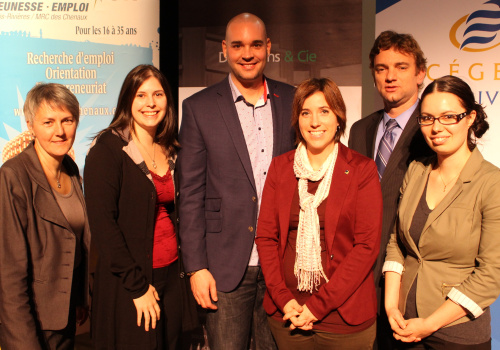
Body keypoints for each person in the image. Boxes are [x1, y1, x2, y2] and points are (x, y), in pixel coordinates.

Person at [177, 12, 295, 350]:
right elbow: (190, 194)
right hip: (224, 266)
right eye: (239, 45)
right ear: (225, 49)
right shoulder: (199, 107)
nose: (247, 54)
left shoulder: (292, 100)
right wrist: (196, 267)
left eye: (256, 45)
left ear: (268, 47)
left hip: (281, 263)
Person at [256, 78, 383, 349]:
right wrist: (283, 299)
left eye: (324, 111)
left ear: (339, 117)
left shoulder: (362, 169)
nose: (315, 121)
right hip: (287, 313)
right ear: (297, 120)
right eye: (306, 113)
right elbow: (266, 237)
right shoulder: (280, 168)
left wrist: (317, 306)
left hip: (344, 318)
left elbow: (366, 247)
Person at [84, 64, 197, 350]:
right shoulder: (108, 150)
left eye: (158, 94)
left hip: (172, 275)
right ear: (127, 101)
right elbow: (103, 226)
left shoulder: (171, 148)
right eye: (141, 95)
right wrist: (137, 286)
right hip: (131, 283)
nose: (150, 103)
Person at [384, 75, 499, 349]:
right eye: (427, 118)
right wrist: (390, 307)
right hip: (403, 324)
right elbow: (397, 243)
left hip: (457, 333)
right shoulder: (416, 170)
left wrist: (430, 323)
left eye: (449, 117)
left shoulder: (491, 182)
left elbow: (491, 274)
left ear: (470, 117)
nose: (437, 128)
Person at [348, 30, 432, 348]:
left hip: (413, 282)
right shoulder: (360, 130)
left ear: (420, 73)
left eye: (401, 66)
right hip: (362, 282)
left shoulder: (433, 129)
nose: (390, 76)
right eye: (382, 68)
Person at [0, 83, 90, 349]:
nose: (60, 131)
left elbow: (76, 241)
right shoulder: (13, 176)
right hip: (30, 323)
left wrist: (78, 299)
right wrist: (23, 340)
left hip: (65, 318)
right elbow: (9, 273)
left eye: (67, 120)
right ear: (30, 125)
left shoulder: (72, 169)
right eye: (48, 122)